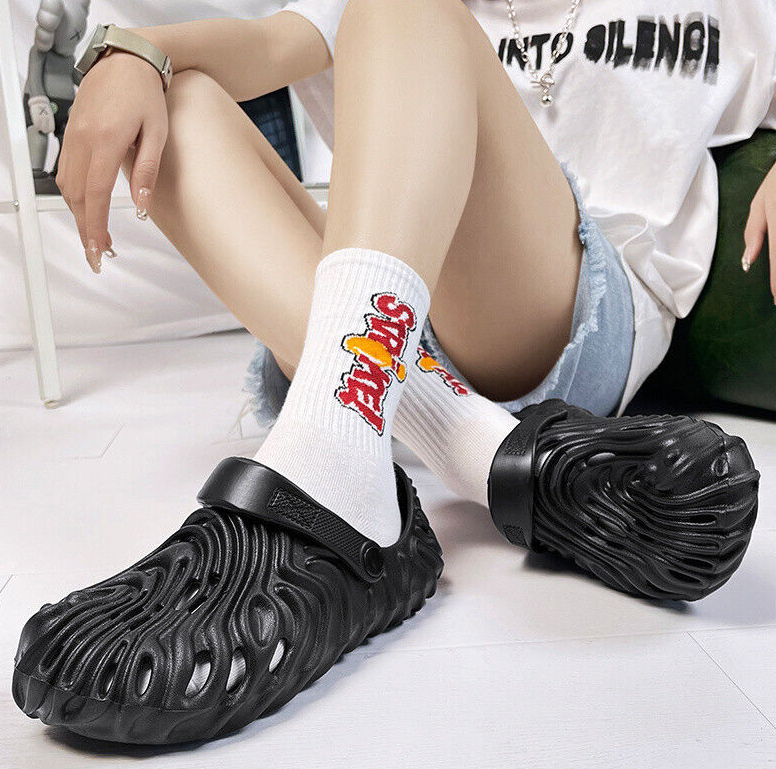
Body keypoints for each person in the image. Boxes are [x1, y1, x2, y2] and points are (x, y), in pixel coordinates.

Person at [13, 0, 768, 745]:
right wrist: (132, 53)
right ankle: (476, 447)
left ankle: (344, 456)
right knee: (175, 96)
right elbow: (270, 45)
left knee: (406, 7)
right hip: (390, 303)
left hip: (569, 313)